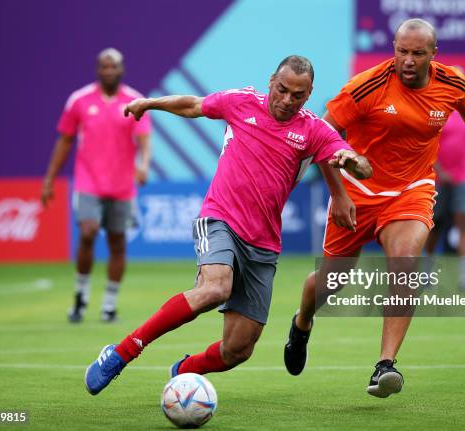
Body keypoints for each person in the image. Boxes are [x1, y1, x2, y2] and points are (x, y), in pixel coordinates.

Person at [83, 55, 372, 395]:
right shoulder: (241, 102)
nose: (286, 100)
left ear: (309, 95)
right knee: (215, 288)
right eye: (282, 90)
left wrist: (353, 162)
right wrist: (149, 103)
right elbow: (192, 105)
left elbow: (361, 167)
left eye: (297, 95)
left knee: (238, 350)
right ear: (271, 82)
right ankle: (121, 352)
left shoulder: (313, 130)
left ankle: (184, 371)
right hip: (220, 217)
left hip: (263, 241)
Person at [283, 19, 465, 398]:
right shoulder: (366, 86)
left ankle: (385, 365)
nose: (408, 60)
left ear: (433, 54)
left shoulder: (450, 82)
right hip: (358, 193)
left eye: (418, 53)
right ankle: (302, 323)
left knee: (404, 264)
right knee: (331, 283)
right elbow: (321, 134)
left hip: (412, 190)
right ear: (394, 49)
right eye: (402, 51)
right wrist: (337, 194)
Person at [41, 48, 151, 323]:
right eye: (104, 66)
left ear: (122, 69)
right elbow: (65, 140)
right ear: (98, 69)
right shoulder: (79, 100)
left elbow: (144, 138)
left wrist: (144, 164)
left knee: (117, 242)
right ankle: (80, 297)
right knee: (88, 232)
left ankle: (109, 306)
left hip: (122, 185)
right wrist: (49, 179)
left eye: (113, 66)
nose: (109, 71)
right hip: (88, 181)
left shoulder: (135, 100)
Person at [424, 111, 465, 291]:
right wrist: (441, 172)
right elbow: (428, 148)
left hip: (464, 180)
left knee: (464, 227)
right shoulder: (437, 115)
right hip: (438, 181)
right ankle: (426, 274)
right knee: (433, 228)